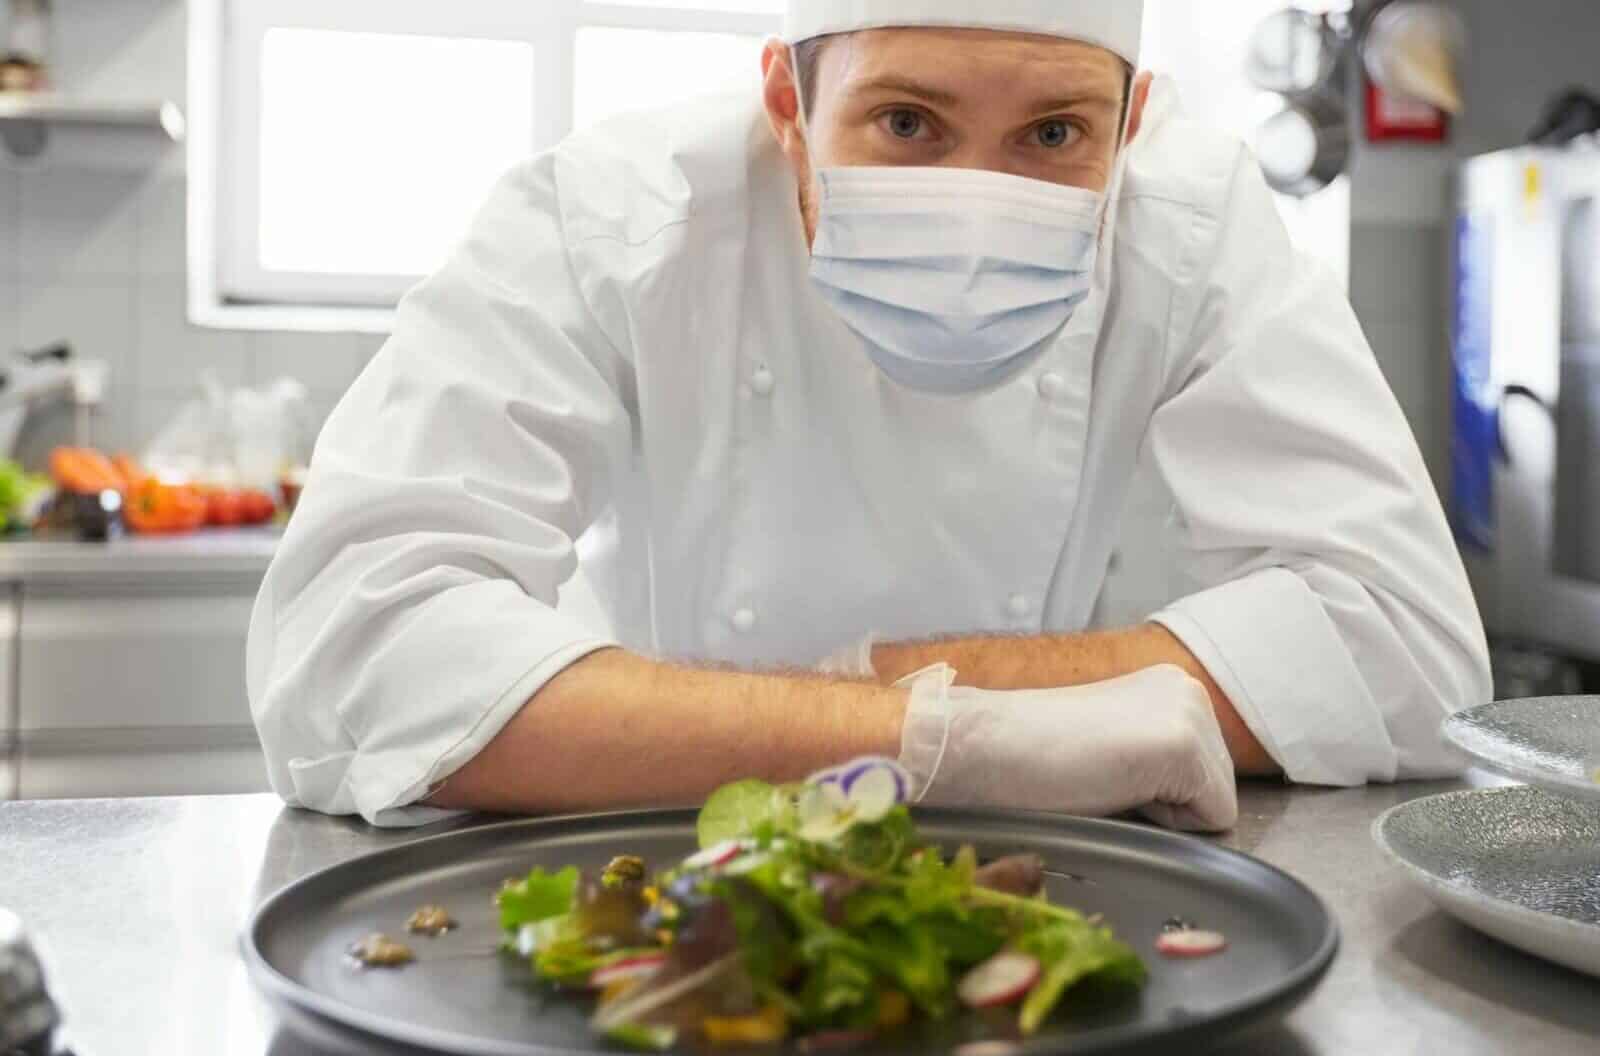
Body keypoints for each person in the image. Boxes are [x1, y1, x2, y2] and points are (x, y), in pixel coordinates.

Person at [246, 0, 1491, 831]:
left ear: (1132, 122)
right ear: (787, 108)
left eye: (1053, 133)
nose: (979, 208)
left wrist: (896, 724)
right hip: (667, 855)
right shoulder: (616, 215)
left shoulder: (1191, 219)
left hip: (1033, 867)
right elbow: (349, 648)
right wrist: (941, 734)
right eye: (907, 123)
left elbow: (1408, 651)